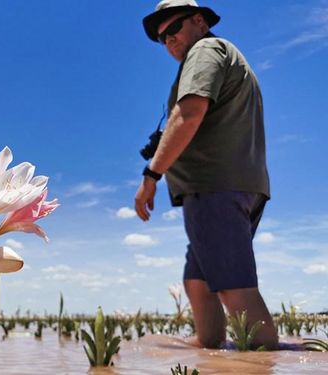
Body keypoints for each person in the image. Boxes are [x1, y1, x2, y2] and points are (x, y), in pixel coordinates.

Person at [135, 0, 278, 350]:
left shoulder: (206, 49)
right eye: (161, 39)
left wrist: (151, 175)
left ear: (198, 21)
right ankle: (211, 350)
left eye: (172, 30)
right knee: (198, 282)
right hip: (234, 185)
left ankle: (264, 363)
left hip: (217, 186)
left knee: (232, 285)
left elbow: (190, 113)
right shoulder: (221, 56)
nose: (168, 41)